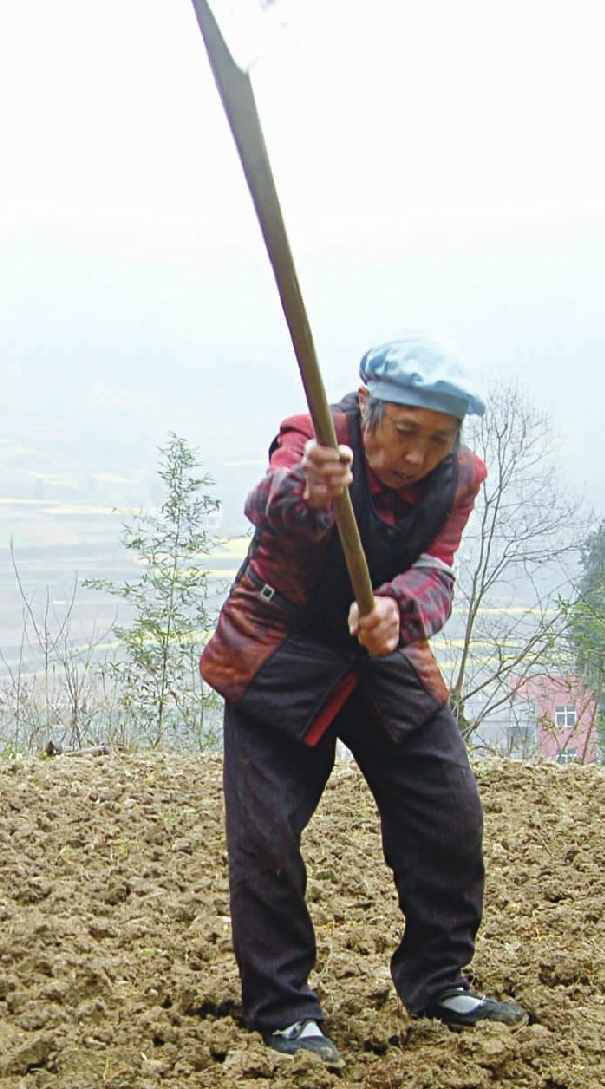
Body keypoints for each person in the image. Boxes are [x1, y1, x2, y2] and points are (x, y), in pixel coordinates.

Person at [200, 335, 526, 1064]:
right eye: (405, 432)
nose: (417, 455)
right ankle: (283, 1007)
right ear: (371, 409)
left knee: (449, 811)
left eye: (436, 440)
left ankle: (438, 977)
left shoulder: (461, 477)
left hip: (382, 652)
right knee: (267, 839)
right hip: (277, 650)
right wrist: (313, 488)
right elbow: (267, 501)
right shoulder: (312, 437)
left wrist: (397, 609)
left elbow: (438, 572)